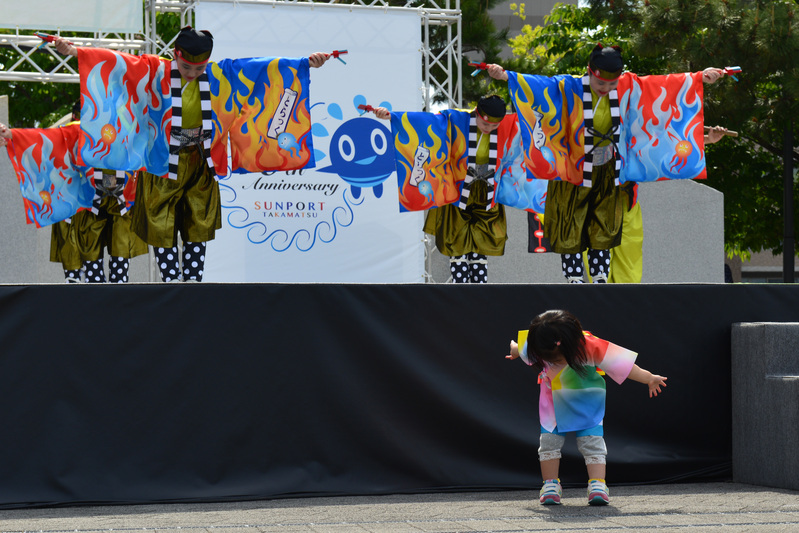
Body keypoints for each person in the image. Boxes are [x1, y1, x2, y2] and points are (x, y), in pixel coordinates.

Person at [54, 29, 330, 282]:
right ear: (176, 55)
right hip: (163, 161)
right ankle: (171, 278)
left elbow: (262, 68)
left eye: (199, 68)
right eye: (186, 67)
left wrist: (305, 63)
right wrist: (74, 51)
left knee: (199, 218)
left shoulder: (220, 74)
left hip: (200, 160)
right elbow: (119, 63)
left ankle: (194, 279)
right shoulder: (155, 70)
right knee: (160, 219)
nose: (192, 73)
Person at [487, 45, 725, 283]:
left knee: (603, 226)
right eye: (601, 84)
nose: (606, 90)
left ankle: (600, 279)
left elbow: (661, 86)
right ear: (589, 72)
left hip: (609, 174)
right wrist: (506, 76)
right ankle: (575, 278)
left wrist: (699, 77)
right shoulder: (568, 87)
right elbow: (540, 85)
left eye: (612, 85)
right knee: (570, 222)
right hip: (574, 171)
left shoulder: (627, 89)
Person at [506, 309, 667, 506]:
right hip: (552, 404)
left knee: (592, 442)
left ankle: (598, 485)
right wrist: (514, 349)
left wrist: (648, 377)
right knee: (548, 442)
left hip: (587, 401)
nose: (553, 362)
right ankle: (550, 485)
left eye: (557, 359)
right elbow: (522, 347)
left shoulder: (591, 346)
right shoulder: (540, 343)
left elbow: (623, 365)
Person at [0, 105, 147, 283]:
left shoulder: (129, 125)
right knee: (89, 270)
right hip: (87, 203)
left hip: (120, 202)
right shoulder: (80, 130)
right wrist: (12, 136)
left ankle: (117, 298)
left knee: (120, 264)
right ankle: (83, 291)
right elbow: (47, 139)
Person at [374, 95, 512, 283]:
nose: (488, 129)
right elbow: (427, 121)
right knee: (457, 244)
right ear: (476, 113)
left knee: (480, 246)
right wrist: (393, 117)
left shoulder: (507, 126)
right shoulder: (457, 120)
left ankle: (480, 294)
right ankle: (460, 292)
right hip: (458, 188)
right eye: (485, 124)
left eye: (493, 126)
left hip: (486, 192)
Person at [605, 125, 732, 283]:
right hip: (597, 205)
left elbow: (661, 142)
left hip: (627, 205)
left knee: (628, 279)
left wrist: (708, 139)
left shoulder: (633, 119)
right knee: (599, 277)